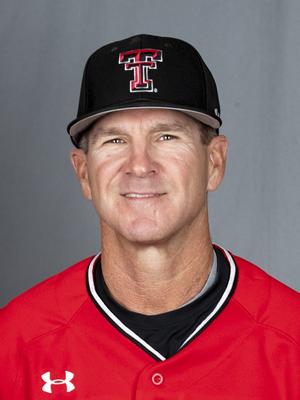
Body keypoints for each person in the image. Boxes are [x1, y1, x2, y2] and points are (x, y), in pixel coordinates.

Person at [1, 34, 299, 399]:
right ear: (83, 173)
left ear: (214, 163)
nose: (140, 166)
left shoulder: (291, 338)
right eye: (115, 140)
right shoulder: (16, 343)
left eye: (167, 137)